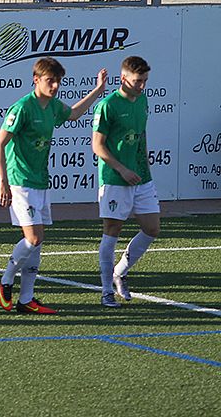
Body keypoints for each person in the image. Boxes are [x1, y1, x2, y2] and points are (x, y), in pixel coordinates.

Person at [0, 58, 107, 314]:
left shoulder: (53, 106)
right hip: (20, 181)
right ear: (36, 79)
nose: (55, 86)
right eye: (49, 81)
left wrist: (98, 91)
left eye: (57, 81)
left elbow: (75, 113)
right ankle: (5, 280)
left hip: (40, 182)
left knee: (38, 242)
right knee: (33, 238)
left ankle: (26, 299)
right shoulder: (22, 108)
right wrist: (3, 181)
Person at [92, 56, 159, 308]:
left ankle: (119, 272)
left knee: (152, 228)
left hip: (141, 177)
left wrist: (144, 165)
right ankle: (107, 290)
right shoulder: (107, 106)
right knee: (112, 231)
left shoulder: (142, 100)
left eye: (144, 81)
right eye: (138, 81)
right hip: (115, 178)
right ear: (123, 79)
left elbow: (141, 136)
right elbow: (97, 145)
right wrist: (121, 169)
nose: (142, 86)